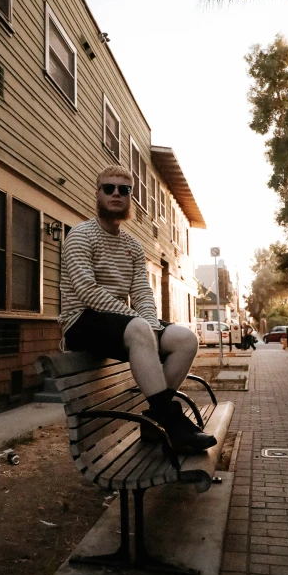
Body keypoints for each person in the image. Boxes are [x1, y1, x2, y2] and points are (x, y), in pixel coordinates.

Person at [59, 166, 217, 454]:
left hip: (120, 325)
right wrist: (139, 323)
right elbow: (88, 292)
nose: (116, 194)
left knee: (185, 339)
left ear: (130, 195)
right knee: (139, 327)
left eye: (124, 189)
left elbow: (143, 292)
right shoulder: (81, 235)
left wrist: (150, 325)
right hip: (80, 321)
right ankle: (172, 421)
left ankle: (155, 420)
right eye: (109, 188)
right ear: (98, 194)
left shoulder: (132, 245)